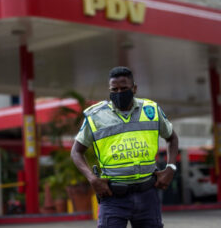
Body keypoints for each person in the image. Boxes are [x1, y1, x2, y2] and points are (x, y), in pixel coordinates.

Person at [71, 66, 179, 228]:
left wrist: (170, 167)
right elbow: (76, 152)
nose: (119, 93)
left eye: (124, 88)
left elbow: (172, 137)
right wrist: (92, 179)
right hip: (112, 197)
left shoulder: (151, 110)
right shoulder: (95, 116)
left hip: (147, 194)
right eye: (114, 89)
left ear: (134, 88)